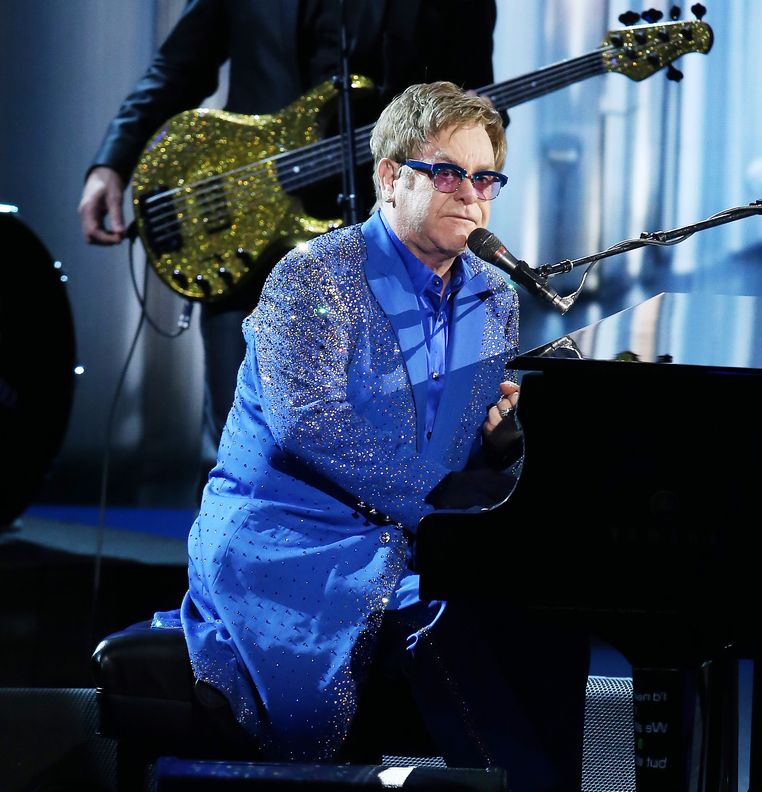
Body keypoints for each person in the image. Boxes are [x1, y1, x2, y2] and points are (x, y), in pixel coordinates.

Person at [159, 81, 590, 790]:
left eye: (486, 178)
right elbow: (310, 424)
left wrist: (505, 444)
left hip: (416, 535)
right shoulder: (311, 278)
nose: (471, 193)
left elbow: (462, 439)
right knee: (470, 624)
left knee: (546, 616)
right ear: (390, 178)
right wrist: (451, 500)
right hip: (291, 538)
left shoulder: (494, 295)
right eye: (448, 172)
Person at [77, 0, 502, 494]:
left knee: (381, 445)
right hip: (247, 235)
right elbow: (179, 66)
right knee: (245, 451)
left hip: (382, 247)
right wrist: (113, 160)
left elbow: (475, 109)